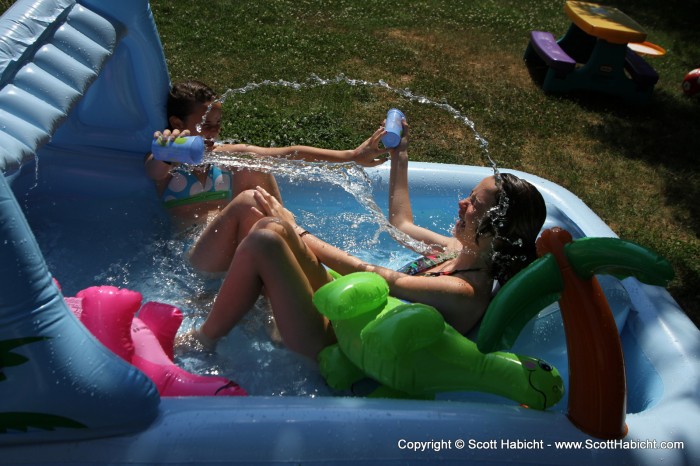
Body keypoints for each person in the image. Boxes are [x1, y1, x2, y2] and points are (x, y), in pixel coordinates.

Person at [188, 118, 547, 361]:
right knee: (253, 199)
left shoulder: (463, 292)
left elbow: (371, 273)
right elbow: (401, 222)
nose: (461, 203)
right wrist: (400, 152)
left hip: (334, 340)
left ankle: (203, 340)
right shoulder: (456, 251)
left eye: (474, 205)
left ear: (496, 228)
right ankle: (201, 290)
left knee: (268, 235)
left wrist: (292, 228)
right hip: (340, 306)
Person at [144, 80, 389, 273]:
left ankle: (289, 243)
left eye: (218, 124)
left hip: (241, 247)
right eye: (206, 125)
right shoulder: (169, 162)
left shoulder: (225, 157)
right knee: (248, 201)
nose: (214, 132)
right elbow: (154, 171)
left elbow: (289, 154)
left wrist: (352, 155)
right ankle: (303, 246)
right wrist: (168, 151)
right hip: (200, 254)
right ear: (178, 122)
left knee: (254, 164)